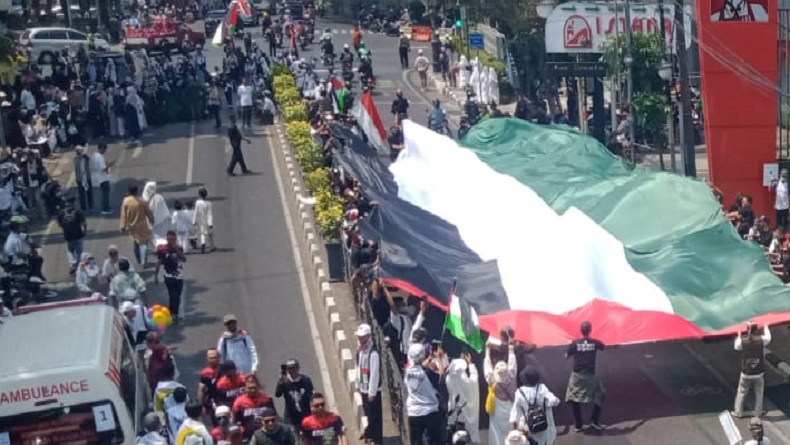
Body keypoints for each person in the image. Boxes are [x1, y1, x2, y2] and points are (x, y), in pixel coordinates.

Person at [564, 321, 605, 432]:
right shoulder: (595, 343)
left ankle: (578, 425)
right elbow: (603, 346)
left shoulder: (575, 343)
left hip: (577, 376)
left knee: (573, 398)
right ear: (590, 330)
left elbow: (566, 356)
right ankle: (595, 421)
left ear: (580, 331)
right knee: (600, 394)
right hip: (590, 376)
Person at [404, 343, 445, 445]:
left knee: (416, 442)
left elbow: (419, 366)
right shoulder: (427, 373)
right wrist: (439, 359)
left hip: (413, 412)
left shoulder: (407, 372)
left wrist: (429, 359)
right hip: (429, 412)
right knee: (436, 441)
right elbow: (442, 377)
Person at [510, 366, 560, 445]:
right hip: (543, 426)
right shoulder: (542, 388)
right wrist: (547, 405)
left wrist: (514, 429)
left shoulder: (519, 392)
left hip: (528, 428)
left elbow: (515, 412)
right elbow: (554, 401)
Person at [734, 321, 772, 418]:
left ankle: (738, 412)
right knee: (759, 393)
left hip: (746, 372)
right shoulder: (762, 340)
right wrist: (766, 326)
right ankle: (758, 413)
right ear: (757, 329)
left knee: (742, 392)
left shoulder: (743, 341)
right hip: (759, 372)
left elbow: (736, 347)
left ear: (747, 330)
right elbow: (768, 338)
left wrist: (738, 335)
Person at [485, 339, 517, 445]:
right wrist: (511, 348)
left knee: (497, 433)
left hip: (497, 410)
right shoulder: (512, 376)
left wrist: (487, 350)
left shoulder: (492, 380)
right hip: (510, 407)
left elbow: (487, 367)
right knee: (511, 432)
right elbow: (512, 363)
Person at [355, 323, 382, 445]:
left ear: (368, 337)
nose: (360, 339)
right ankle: (369, 433)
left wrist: (372, 392)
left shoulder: (373, 353)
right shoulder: (361, 350)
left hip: (372, 391)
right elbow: (359, 367)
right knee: (368, 413)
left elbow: (375, 374)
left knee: (375, 416)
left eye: (362, 337)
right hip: (363, 388)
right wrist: (359, 385)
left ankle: (376, 439)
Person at [445, 353, 480, 444]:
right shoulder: (466, 381)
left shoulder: (448, 379)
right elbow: (474, 379)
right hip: (466, 411)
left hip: (454, 411)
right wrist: (471, 364)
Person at [155, 230, 186, 323]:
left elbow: (184, 259)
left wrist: (177, 251)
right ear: (166, 239)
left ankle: (175, 313)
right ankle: (172, 314)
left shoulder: (179, 248)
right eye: (169, 239)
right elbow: (158, 262)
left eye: (173, 239)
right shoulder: (162, 250)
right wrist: (156, 276)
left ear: (175, 239)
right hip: (168, 276)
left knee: (178, 296)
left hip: (179, 275)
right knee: (173, 295)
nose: (171, 241)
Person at [275, 358, 314, 432]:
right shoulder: (285, 382)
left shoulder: (306, 380)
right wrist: (280, 382)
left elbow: (311, 396)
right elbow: (278, 394)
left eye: (293, 368)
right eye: (289, 368)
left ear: (298, 368)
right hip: (291, 416)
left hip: (305, 414)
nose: (291, 370)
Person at [233, 374, 277, 440]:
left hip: (267, 435)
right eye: (250, 388)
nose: (253, 390)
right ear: (245, 388)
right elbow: (235, 421)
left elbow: (274, 416)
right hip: (248, 437)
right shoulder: (239, 403)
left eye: (254, 387)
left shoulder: (267, 399)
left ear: (258, 386)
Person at [120, 184, 154, 267]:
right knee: (144, 244)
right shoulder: (142, 201)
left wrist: (122, 226)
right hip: (142, 226)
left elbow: (123, 214)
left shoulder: (126, 201)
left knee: (135, 244)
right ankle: (144, 261)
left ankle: (139, 259)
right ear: (137, 191)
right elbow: (149, 212)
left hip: (131, 226)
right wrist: (152, 220)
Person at [57, 195, 87, 275]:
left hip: (67, 235)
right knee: (79, 251)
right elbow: (84, 222)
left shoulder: (61, 212)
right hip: (78, 234)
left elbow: (60, 224)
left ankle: (72, 265)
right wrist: (85, 231)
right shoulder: (78, 211)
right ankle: (80, 266)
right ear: (74, 202)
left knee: (70, 251)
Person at [143, 182, 171, 246]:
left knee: (153, 235)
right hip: (161, 220)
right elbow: (164, 207)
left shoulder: (143, 198)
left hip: (150, 220)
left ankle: (156, 246)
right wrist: (168, 216)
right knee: (162, 235)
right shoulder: (159, 197)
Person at [90, 142, 112, 214]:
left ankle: (104, 206)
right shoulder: (99, 157)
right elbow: (103, 168)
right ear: (101, 148)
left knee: (104, 192)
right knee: (106, 193)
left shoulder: (94, 155)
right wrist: (109, 165)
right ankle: (106, 208)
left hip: (98, 177)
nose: (104, 151)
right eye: (104, 150)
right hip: (103, 178)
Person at [193, 188, 215, 253]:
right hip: (207, 220)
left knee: (202, 233)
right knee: (210, 233)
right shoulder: (209, 203)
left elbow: (195, 212)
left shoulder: (197, 202)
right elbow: (209, 214)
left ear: (199, 195)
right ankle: (212, 246)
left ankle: (203, 243)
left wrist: (194, 221)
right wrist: (210, 223)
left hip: (200, 219)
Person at [74, 146, 94, 211]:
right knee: (82, 194)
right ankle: (84, 207)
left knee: (89, 193)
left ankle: (90, 206)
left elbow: (88, 158)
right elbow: (76, 169)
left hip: (86, 178)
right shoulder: (76, 159)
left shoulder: (85, 158)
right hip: (80, 179)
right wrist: (77, 178)